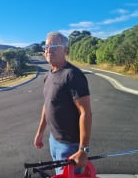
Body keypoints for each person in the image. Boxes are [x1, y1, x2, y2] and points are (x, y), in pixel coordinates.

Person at [33, 32, 92, 175]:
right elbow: (47, 105)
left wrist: (83, 150)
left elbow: (85, 113)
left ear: (65, 50)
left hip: (70, 146)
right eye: (46, 46)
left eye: (54, 45)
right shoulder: (48, 76)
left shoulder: (72, 75)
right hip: (54, 141)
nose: (48, 49)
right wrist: (40, 132)